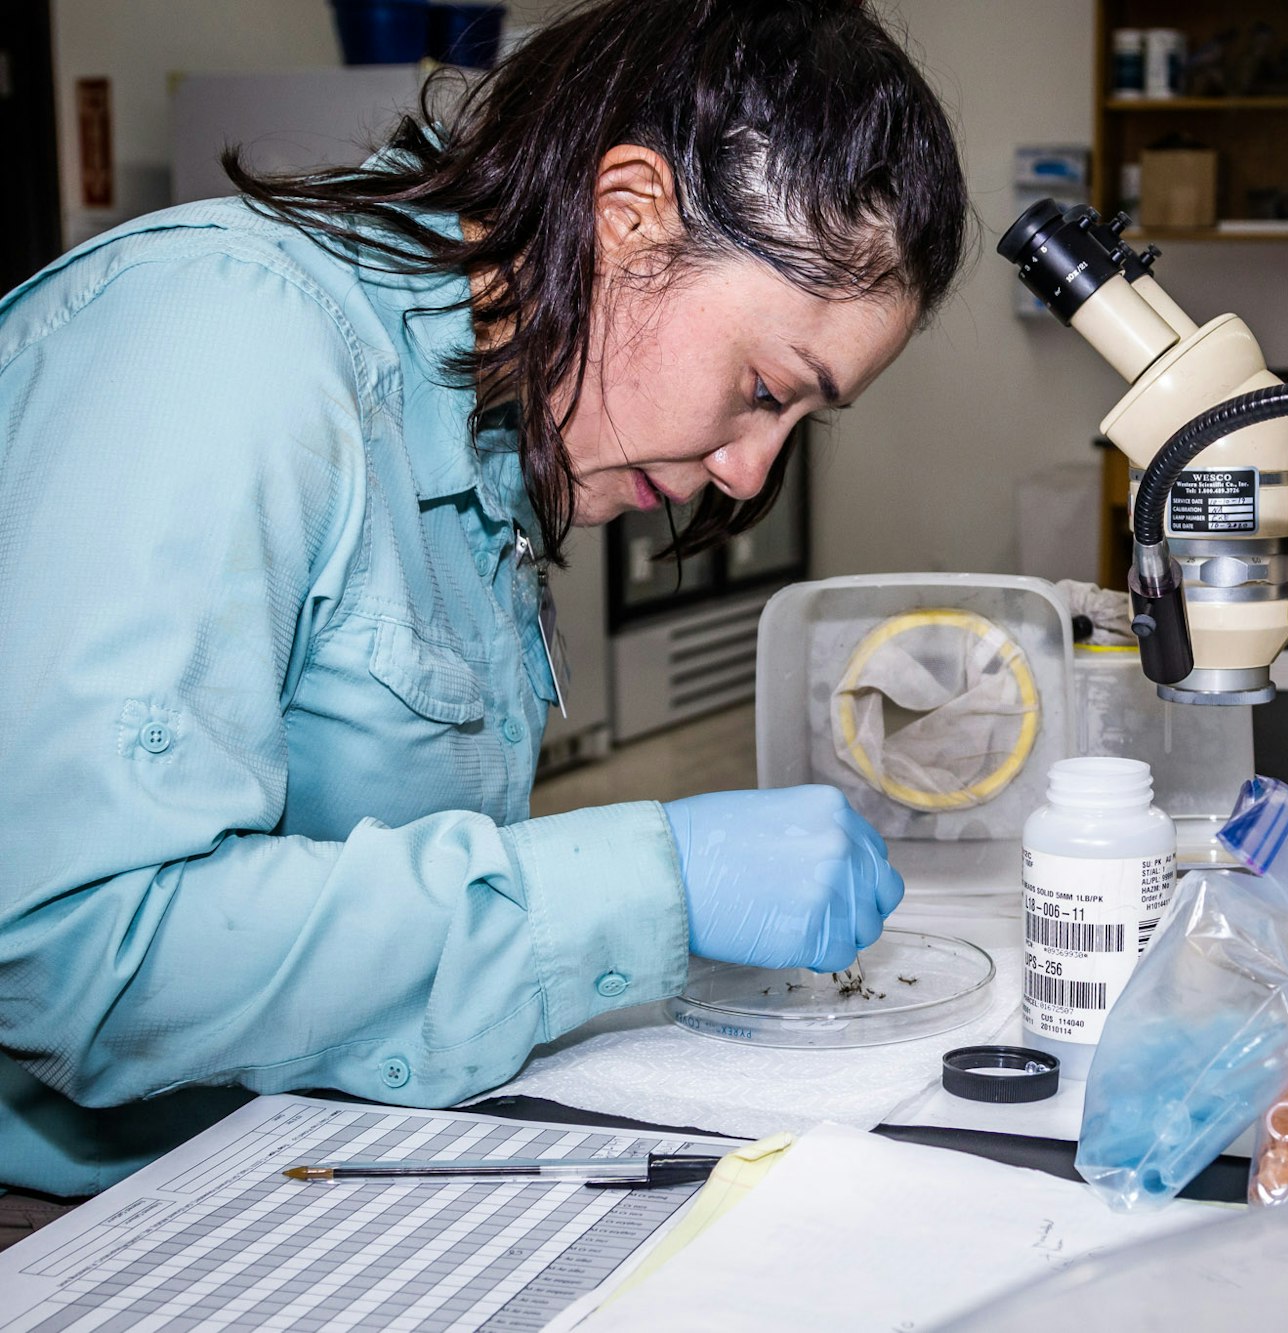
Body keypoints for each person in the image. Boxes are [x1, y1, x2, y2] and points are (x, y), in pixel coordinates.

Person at [0, 0, 967, 1200]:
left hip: (300, 1159)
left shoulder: (492, 427)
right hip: (73, 1218)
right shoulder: (223, 343)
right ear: (627, 216)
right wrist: (649, 880)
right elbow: (70, 955)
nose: (747, 471)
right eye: (765, 386)